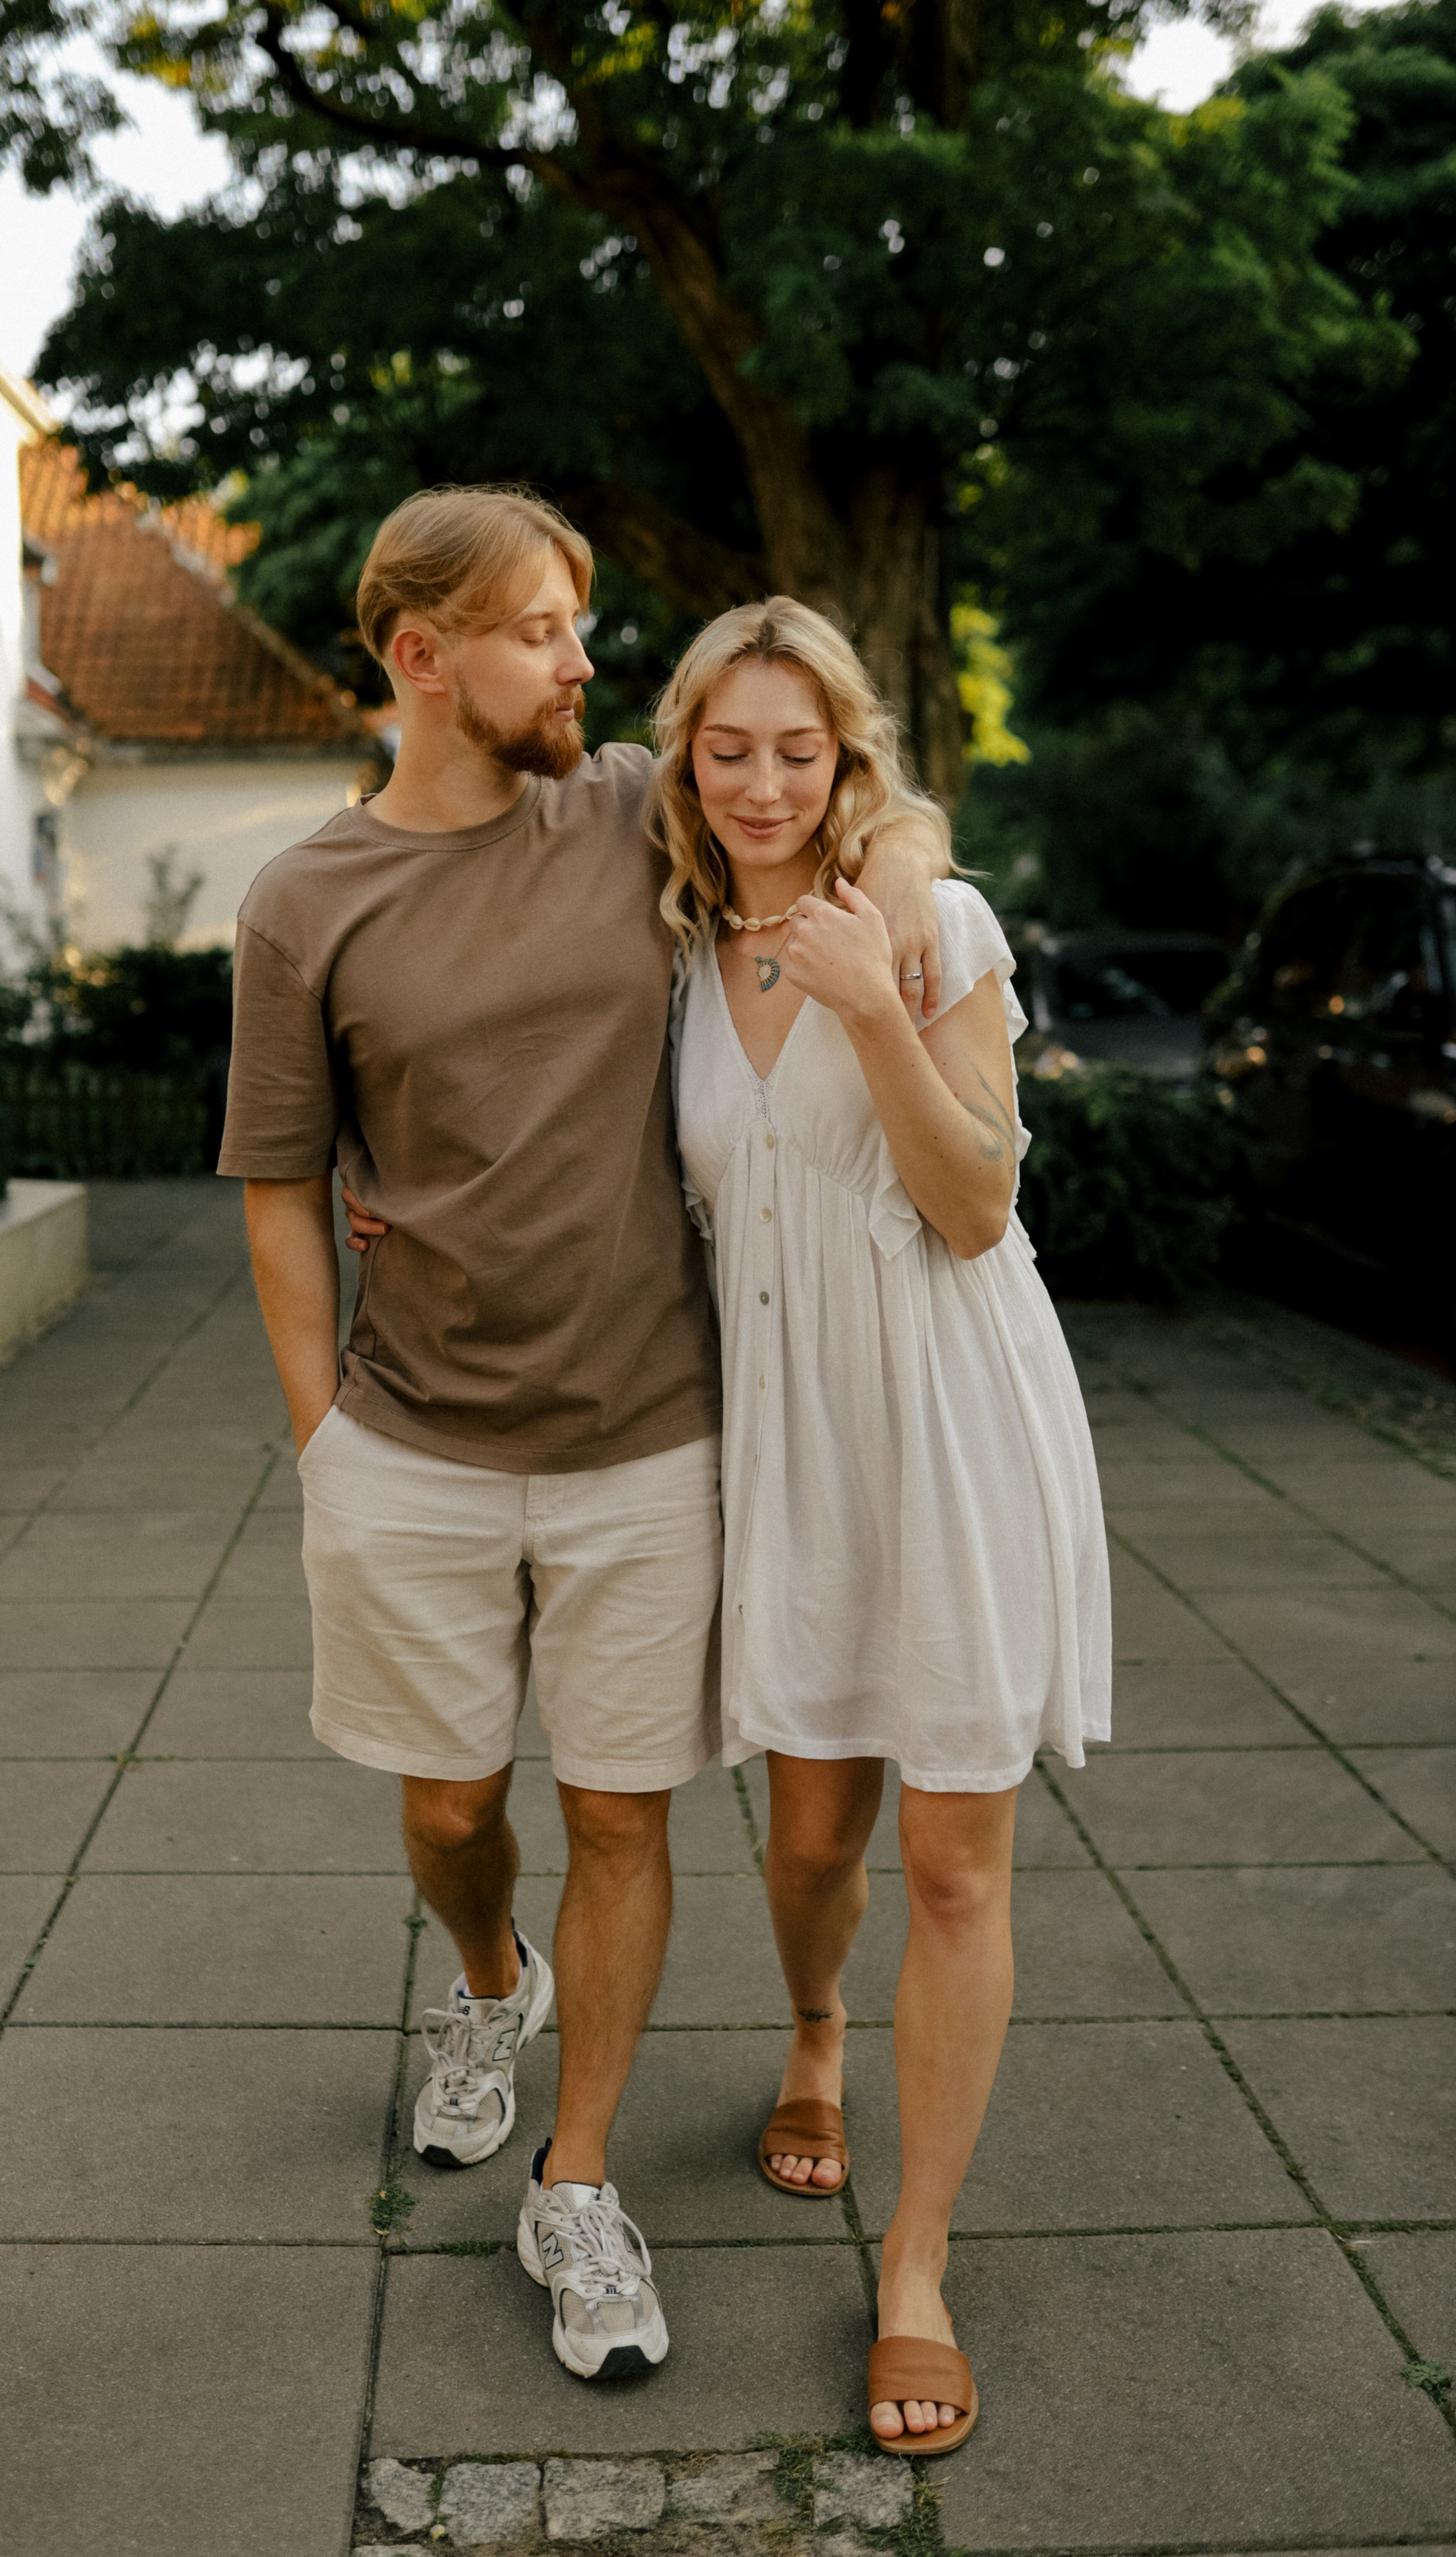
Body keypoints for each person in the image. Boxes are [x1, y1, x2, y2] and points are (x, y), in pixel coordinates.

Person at [216, 489, 949, 2383]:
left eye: (584, 623)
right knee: (455, 1806)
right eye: (544, 627)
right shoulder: (307, 902)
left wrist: (915, 861)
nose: (583, 660)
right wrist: (323, 1444)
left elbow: (859, 803)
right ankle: (487, 1982)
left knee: (623, 1816)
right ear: (421, 655)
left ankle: (581, 2182)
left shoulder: (636, 804)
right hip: (412, 1445)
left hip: (651, 1438)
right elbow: (282, 1187)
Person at [659, 598, 1111, 2453]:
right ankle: (817, 2032)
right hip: (789, 1434)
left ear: (853, 761)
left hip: (946, 1411)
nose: (765, 783)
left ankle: (916, 2257)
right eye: (729, 747)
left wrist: (873, 1003)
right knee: (808, 1838)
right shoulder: (672, 938)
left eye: (803, 750)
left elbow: (979, 1205)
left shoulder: (929, 923)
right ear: (686, 757)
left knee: (951, 1864)